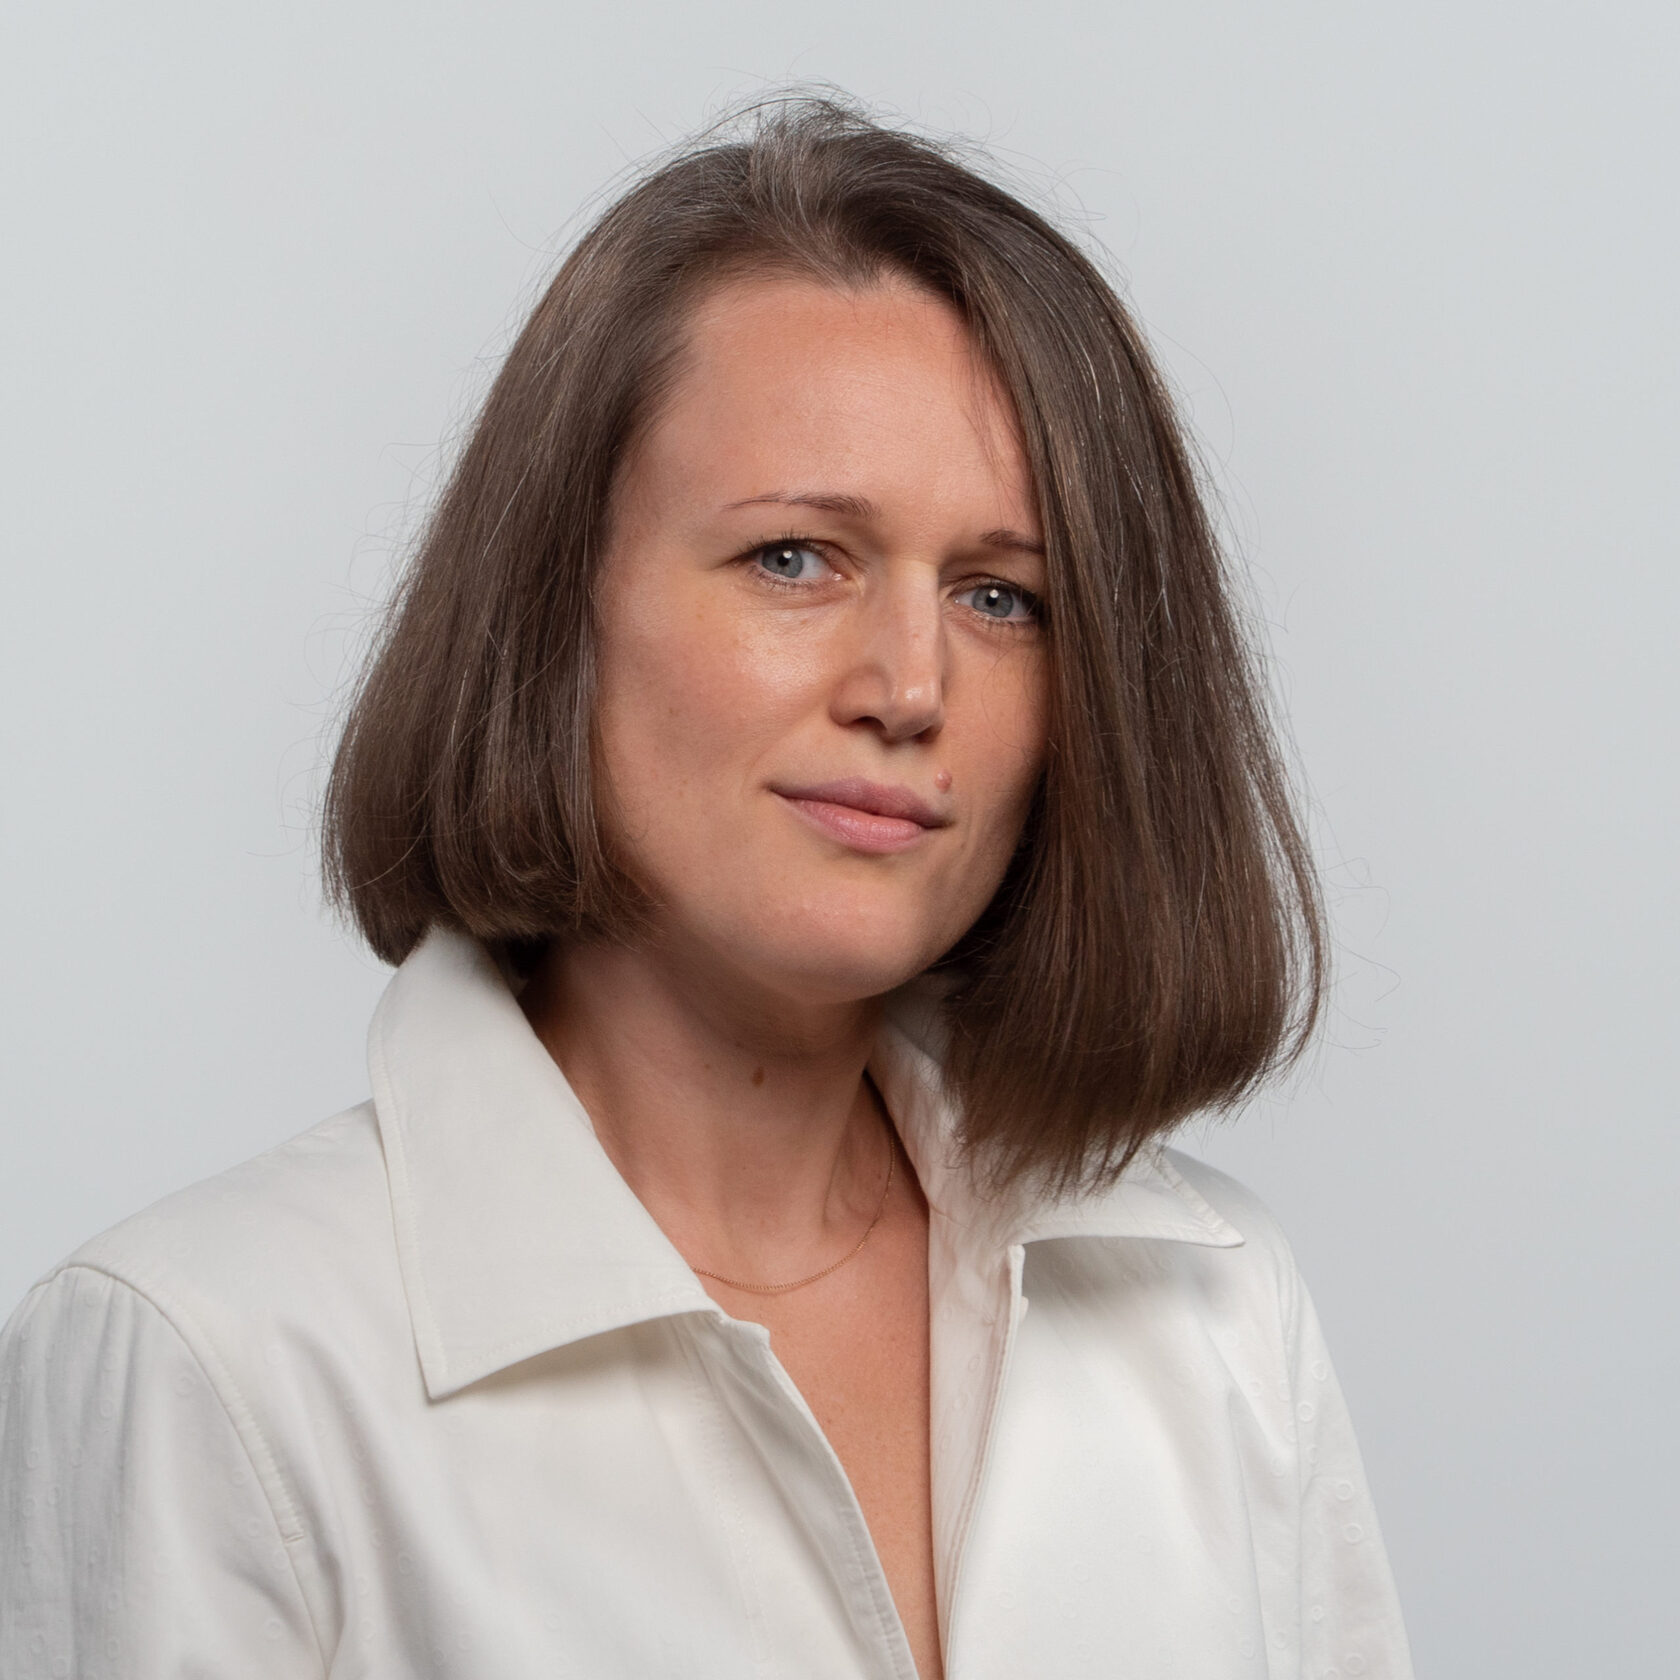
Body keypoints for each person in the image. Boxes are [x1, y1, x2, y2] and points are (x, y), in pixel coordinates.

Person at [0, 97, 1413, 1678]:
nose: (910, 687)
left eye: (1001, 596)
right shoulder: (214, 1364)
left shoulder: (1217, 1313)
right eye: (795, 559)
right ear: (558, 607)